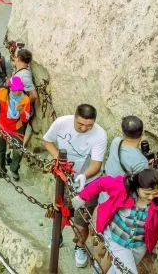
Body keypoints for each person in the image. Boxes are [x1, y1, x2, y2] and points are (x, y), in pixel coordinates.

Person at [74, 169, 158, 273]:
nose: (151, 197)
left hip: (138, 247)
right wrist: (83, 196)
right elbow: (101, 183)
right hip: (116, 238)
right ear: (138, 188)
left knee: (116, 269)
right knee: (128, 271)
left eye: (155, 193)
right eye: (147, 193)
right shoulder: (122, 188)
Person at [43, 104, 108, 267]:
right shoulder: (61, 123)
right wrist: (60, 159)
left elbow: (97, 163)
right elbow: (47, 141)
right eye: (80, 124)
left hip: (89, 183)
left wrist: (83, 176)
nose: (85, 128)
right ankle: (57, 238)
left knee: (81, 221)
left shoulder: (99, 134)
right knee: (60, 210)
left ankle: (79, 246)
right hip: (64, 178)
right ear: (74, 117)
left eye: (89, 125)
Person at [0, 76, 32, 181]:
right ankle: (1, 170)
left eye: (19, 90)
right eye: (14, 90)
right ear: (10, 88)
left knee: (19, 150)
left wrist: (21, 111)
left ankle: (14, 169)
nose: (17, 92)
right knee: (0, 150)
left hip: (17, 128)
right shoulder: (3, 92)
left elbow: (25, 119)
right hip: (1, 126)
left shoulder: (25, 99)